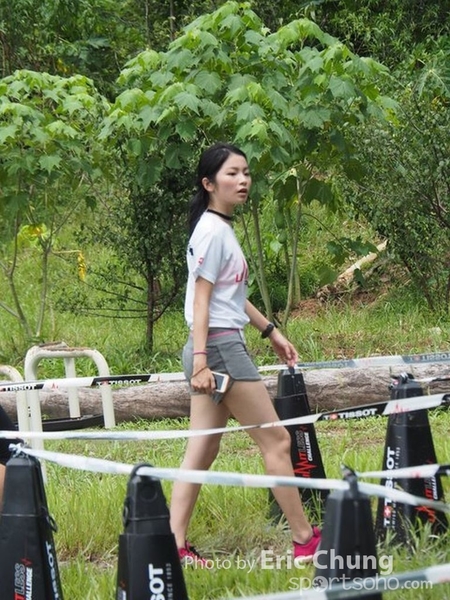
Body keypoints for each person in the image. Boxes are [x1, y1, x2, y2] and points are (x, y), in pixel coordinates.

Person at [169, 142, 321, 566]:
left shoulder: (219, 227)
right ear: (208, 183)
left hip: (213, 345)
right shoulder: (212, 231)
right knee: (276, 440)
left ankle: (173, 545)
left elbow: (229, 295)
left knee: (202, 450)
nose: (242, 181)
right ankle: (304, 540)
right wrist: (202, 361)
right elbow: (202, 302)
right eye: (232, 174)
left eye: (246, 173)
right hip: (218, 349)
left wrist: (270, 331)